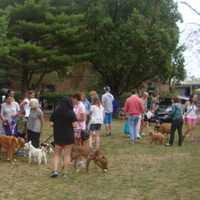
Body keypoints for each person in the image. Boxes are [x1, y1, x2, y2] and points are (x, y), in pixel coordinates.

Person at [50, 97, 77, 178]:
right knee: (67, 155)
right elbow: (74, 125)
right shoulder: (71, 113)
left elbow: (51, 124)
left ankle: (55, 171)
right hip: (68, 136)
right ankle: (65, 173)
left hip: (58, 135)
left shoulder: (56, 112)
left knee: (57, 154)